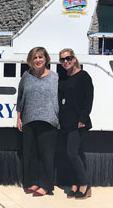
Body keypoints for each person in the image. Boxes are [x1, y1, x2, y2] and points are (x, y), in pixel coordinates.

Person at [17, 47, 59, 197]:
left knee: (46, 155)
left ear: (46, 59)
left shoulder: (55, 77)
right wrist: (19, 117)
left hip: (48, 120)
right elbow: (20, 96)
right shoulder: (26, 77)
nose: (38, 60)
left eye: (40, 57)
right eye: (35, 57)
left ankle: (45, 185)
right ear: (31, 60)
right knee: (30, 154)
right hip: (29, 119)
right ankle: (32, 182)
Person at [58, 48, 93, 199]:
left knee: (71, 153)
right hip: (66, 122)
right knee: (73, 154)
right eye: (62, 60)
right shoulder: (63, 78)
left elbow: (89, 99)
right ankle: (74, 184)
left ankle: (85, 184)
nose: (65, 61)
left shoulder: (83, 76)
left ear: (74, 59)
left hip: (78, 122)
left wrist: (82, 119)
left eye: (68, 58)